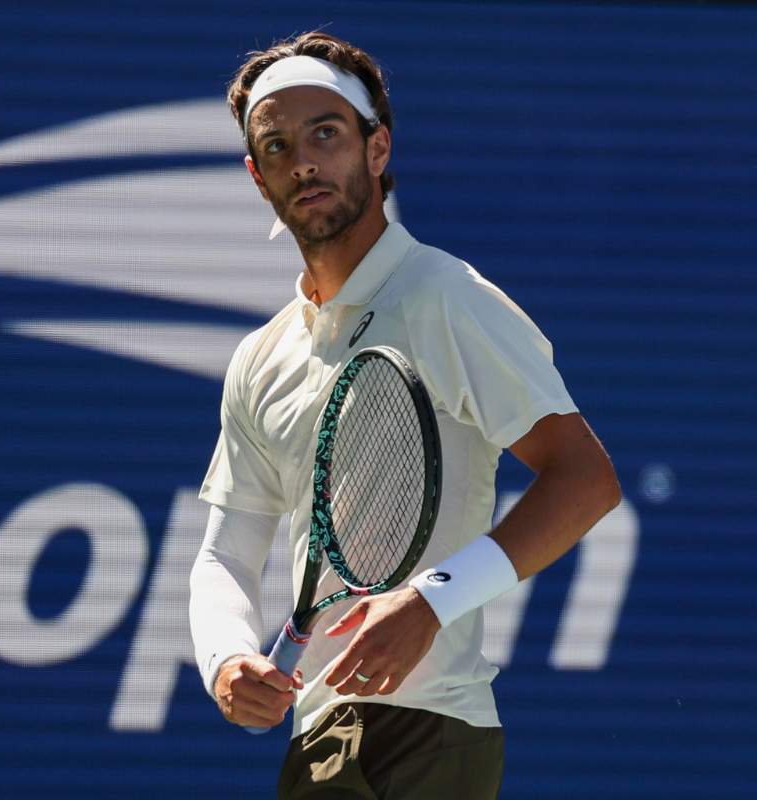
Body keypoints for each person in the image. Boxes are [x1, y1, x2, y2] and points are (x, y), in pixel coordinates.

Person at [188, 32, 621, 799]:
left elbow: (584, 480)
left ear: (377, 148)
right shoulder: (260, 358)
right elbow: (227, 551)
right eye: (279, 146)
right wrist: (225, 657)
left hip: (435, 729)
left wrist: (432, 599)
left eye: (327, 132)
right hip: (319, 734)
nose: (305, 161)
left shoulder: (444, 298)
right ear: (258, 177)